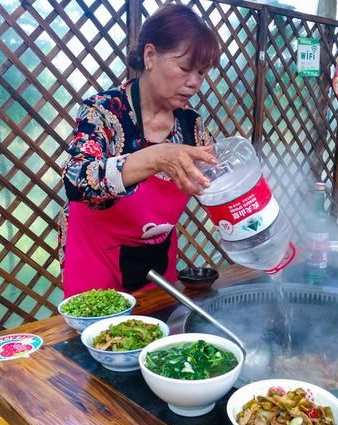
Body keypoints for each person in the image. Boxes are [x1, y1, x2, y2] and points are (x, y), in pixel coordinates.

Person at [58, 4, 221, 297]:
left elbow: (217, 180)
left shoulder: (191, 125)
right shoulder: (104, 111)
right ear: (150, 56)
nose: (194, 82)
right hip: (96, 264)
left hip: (156, 266)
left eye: (202, 72)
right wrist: (157, 157)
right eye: (185, 68)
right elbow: (77, 180)